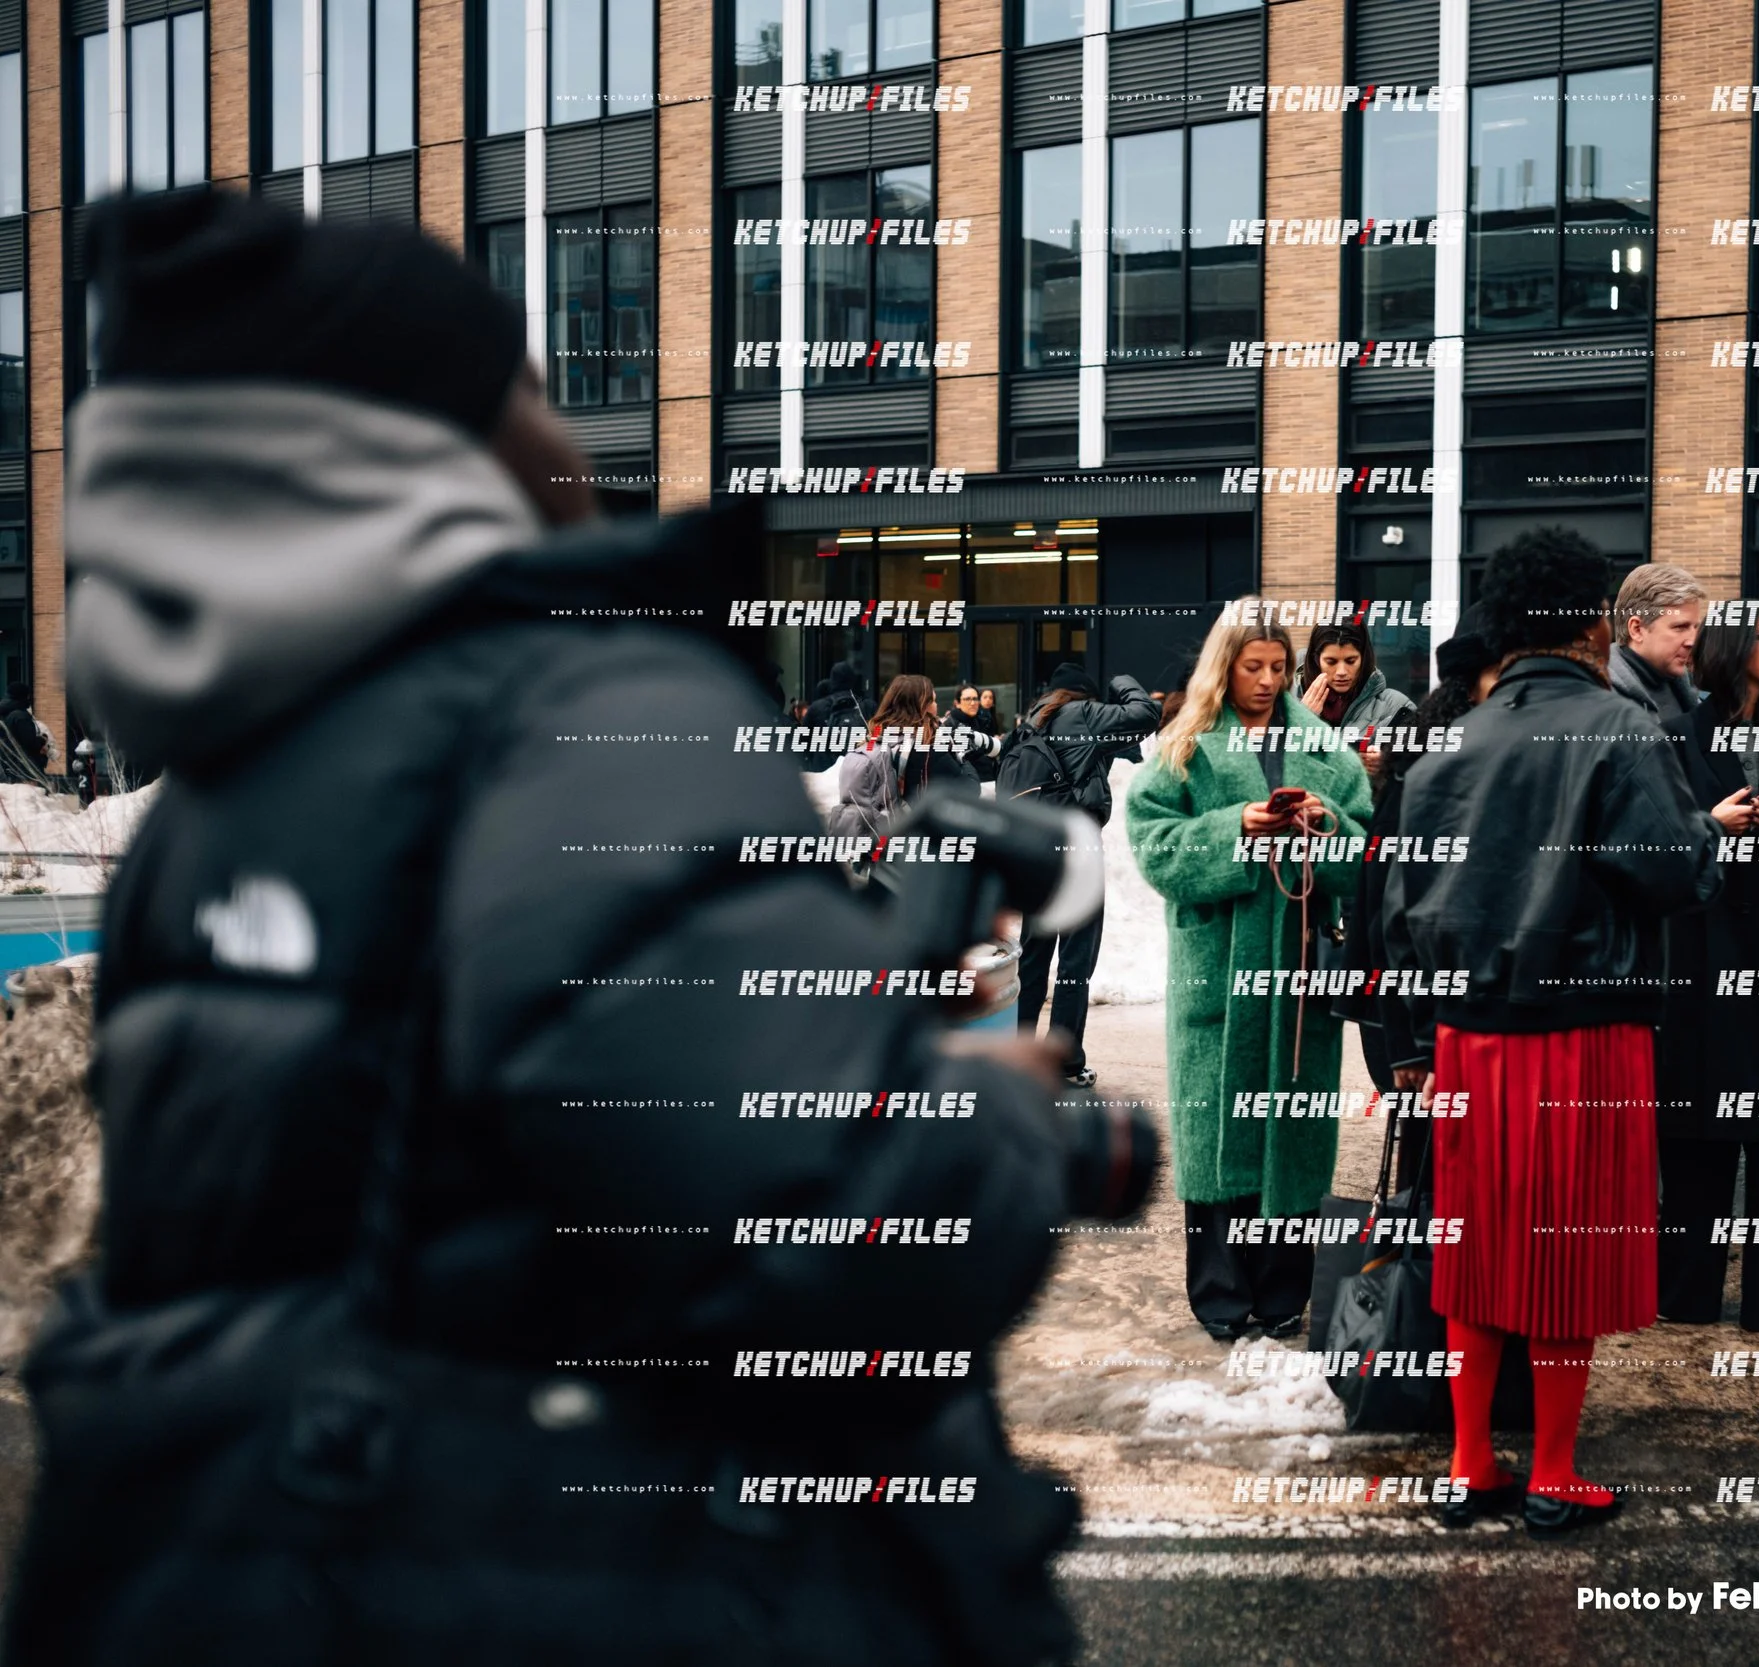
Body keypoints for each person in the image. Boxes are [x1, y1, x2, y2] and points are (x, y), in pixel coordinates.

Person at [11, 188, 1113, 1663]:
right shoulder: (584, 712)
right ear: (431, 445)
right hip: (598, 1579)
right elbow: (825, 1219)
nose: (571, 435)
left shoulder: (220, 798)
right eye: (525, 382)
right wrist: (1004, 1116)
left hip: (264, 1572)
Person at [1384, 532, 1719, 1538]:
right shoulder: (1618, 728)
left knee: (1472, 1255)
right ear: (1591, 622)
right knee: (1566, 1257)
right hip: (1582, 1029)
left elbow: (1400, 905)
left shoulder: (1450, 736)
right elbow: (1669, 869)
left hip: (1466, 1035)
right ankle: (1556, 1472)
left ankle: (1470, 1460)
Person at [1129, 613, 1372, 1342]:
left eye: (1276, 667)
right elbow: (1153, 846)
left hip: (1298, 977)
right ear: (1223, 667)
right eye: (1251, 667)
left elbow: (1364, 858)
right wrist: (1237, 825)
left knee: (1293, 1136)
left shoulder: (1327, 752)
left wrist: (1323, 829)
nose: (1267, 681)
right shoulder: (1183, 749)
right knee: (1215, 1132)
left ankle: (1284, 1294)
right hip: (1218, 972)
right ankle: (1222, 1295)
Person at [1658, 611, 1759, 1332]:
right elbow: (1652, 847)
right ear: (1733, 651)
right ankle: (1688, 1296)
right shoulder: (1678, 738)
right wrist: (1710, 826)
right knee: (1700, 1135)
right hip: (1705, 964)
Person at [1340, 605, 1500, 1191]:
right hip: (1417, 1022)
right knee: (1432, 1178)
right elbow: (1389, 909)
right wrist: (1410, 1047)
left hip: (1447, 1020)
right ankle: (1414, 1276)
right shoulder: (1430, 765)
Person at [1009, 663, 1162, 1087]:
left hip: (1035, 854)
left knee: (1034, 958)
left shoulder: (1029, 724)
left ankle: (1019, 1055)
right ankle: (1064, 1062)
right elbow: (1147, 714)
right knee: (1075, 962)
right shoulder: (1085, 713)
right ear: (1081, 693)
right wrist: (1120, 679)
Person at [1606, 561, 1705, 724]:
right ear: (1637, 629)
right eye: (1680, 627)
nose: (1693, 641)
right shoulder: (1602, 701)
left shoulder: (1686, 689)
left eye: (1695, 627)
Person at [1299, 621, 1417, 754]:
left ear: (1363, 659)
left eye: (1351, 661)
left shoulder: (1396, 707)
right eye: (1331, 662)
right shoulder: (1286, 702)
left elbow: (1414, 768)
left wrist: (1384, 765)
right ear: (1316, 660)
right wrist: (1302, 720)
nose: (1341, 671)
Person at [869, 672, 981, 804]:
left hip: (879, 820)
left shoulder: (875, 735)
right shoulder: (928, 748)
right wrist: (961, 757)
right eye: (933, 700)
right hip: (915, 821)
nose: (936, 705)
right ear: (921, 707)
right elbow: (970, 790)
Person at [941, 682, 1003, 782]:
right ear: (957, 703)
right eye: (967, 699)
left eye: (975, 699)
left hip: (989, 779)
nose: (973, 703)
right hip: (965, 785)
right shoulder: (949, 725)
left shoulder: (984, 720)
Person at [0, 681, 47, 783]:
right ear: (24, 696)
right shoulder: (20, 716)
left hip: (8, 764)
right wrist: (42, 740)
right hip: (25, 767)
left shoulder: (4, 712)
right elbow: (30, 742)